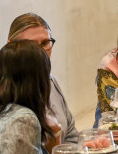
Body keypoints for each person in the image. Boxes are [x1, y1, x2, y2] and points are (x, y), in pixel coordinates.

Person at [8, 13, 79, 147]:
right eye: (31, 45)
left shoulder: (50, 81)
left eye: (45, 43)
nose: (40, 52)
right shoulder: (6, 93)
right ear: (11, 47)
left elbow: (71, 135)